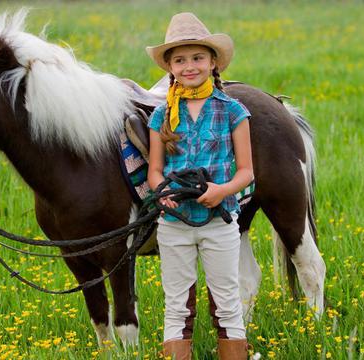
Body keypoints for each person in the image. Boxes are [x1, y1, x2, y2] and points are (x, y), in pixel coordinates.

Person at [146, 12, 254, 360]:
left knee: (227, 300)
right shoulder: (161, 116)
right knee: (176, 305)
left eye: (197, 58)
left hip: (219, 221)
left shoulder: (232, 111)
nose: (189, 66)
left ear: (212, 63)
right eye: (180, 60)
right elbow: (155, 171)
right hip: (175, 223)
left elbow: (246, 172)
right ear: (170, 68)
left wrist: (221, 191)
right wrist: (164, 194)